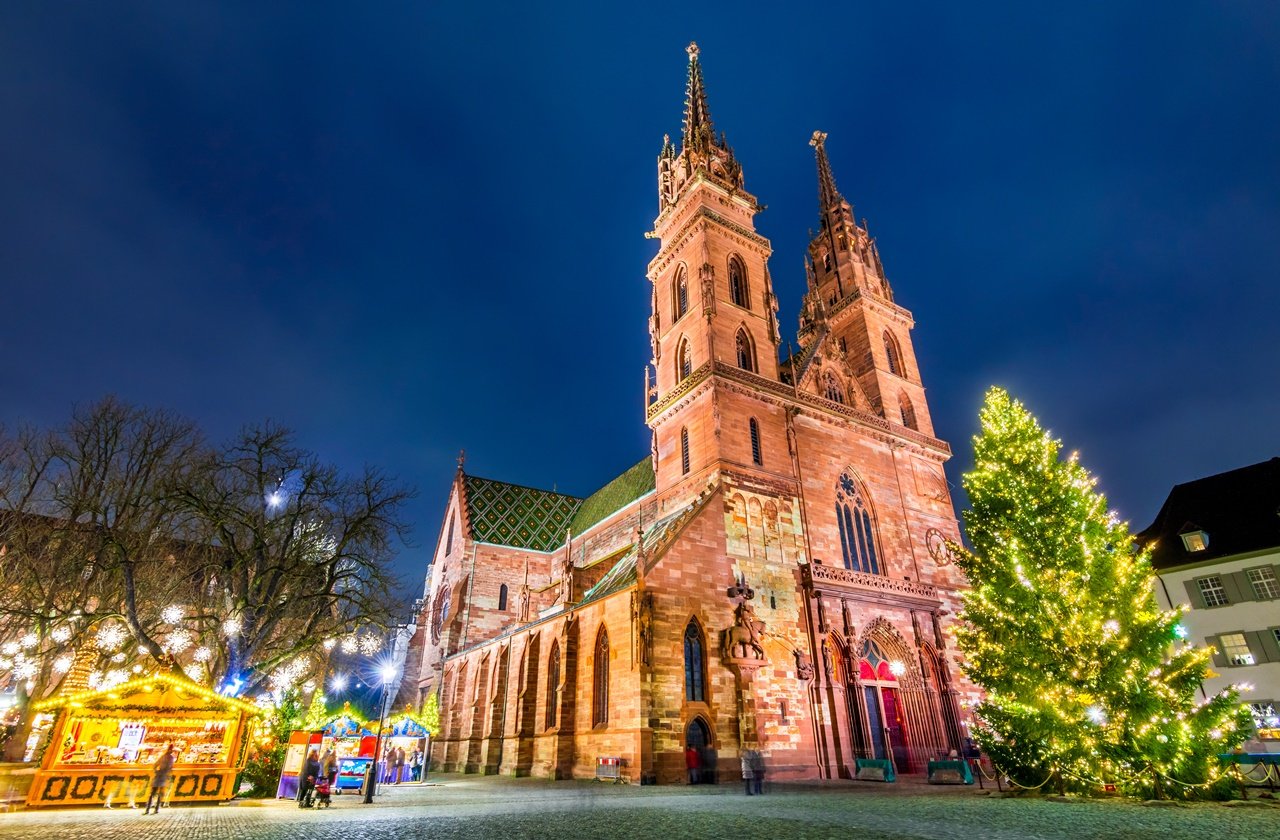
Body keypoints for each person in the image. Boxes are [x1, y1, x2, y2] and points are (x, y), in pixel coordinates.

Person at [142, 744, 176, 815]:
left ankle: (148, 809)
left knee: (153, 793)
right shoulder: (171, 758)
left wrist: (156, 771)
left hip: (159, 775)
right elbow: (170, 768)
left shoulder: (163, 756)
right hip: (163, 776)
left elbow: (155, 765)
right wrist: (168, 775)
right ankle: (156, 809)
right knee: (160, 793)